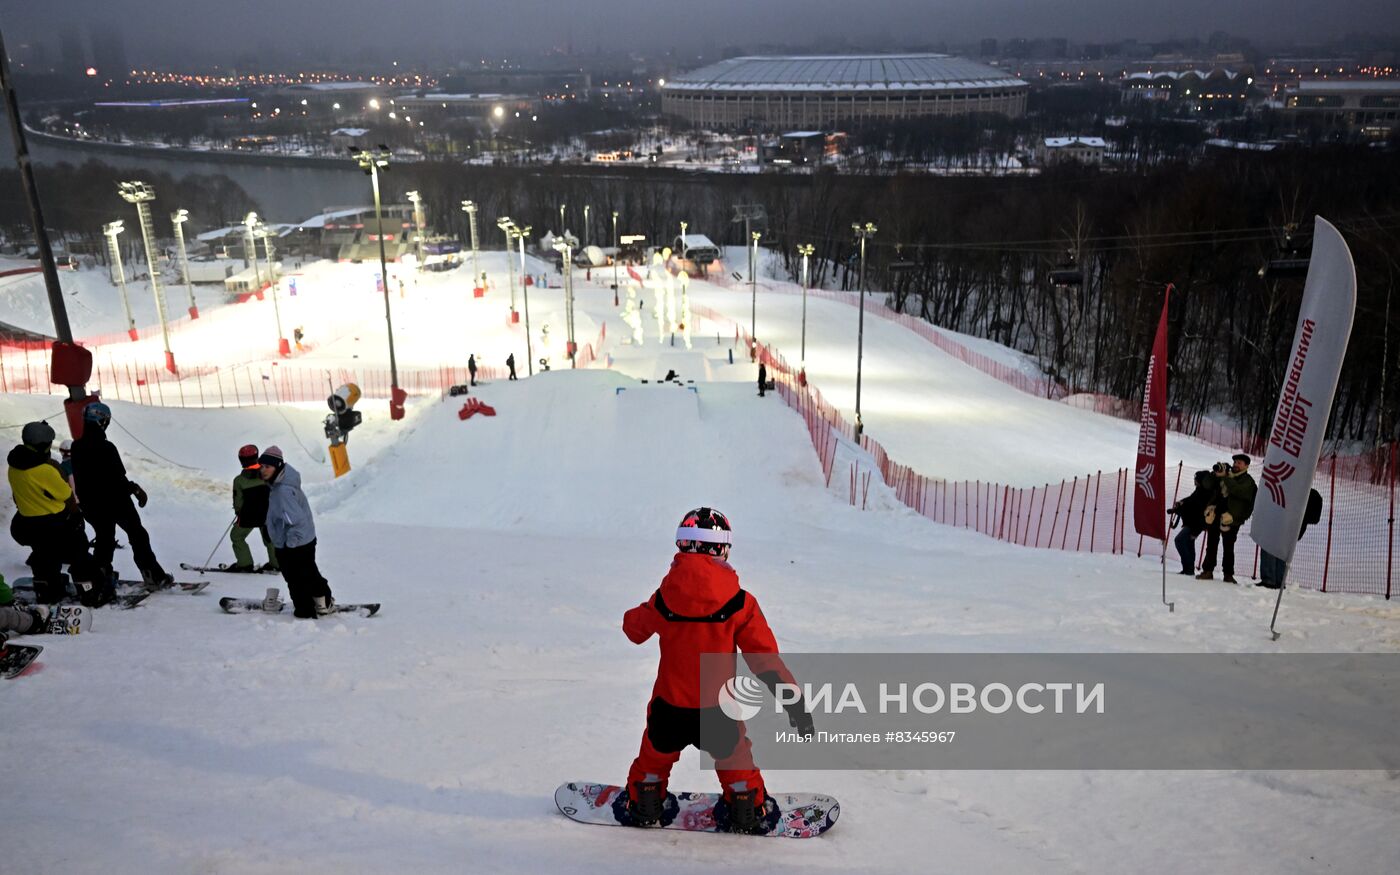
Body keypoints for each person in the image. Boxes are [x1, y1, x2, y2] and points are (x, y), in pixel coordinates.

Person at [619, 507, 811, 834]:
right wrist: (791, 699)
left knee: (655, 754)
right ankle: (745, 806)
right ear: (721, 549)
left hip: (670, 706)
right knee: (735, 760)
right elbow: (763, 658)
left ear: (683, 546)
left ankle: (646, 801)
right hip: (717, 710)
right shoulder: (739, 603)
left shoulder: (665, 599)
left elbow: (633, 630)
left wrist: (642, 613)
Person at [70, 401, 173, 588]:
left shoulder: (76, 447)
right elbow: (117, 479)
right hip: (115, 501)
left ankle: (101, 574)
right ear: (101, 421)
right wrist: (134, 489)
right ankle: (153, 575)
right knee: (137, 535)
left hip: (90, 503)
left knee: (105, 536)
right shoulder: (106, 448)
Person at [7, 422, 106, 605]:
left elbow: (16, 497)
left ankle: (46, 587)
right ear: (43, 445)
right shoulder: (45, 470)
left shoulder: (14, 467)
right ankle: (90, 590)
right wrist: (76, 517)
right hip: (55, 524)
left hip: (27, 524)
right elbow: (65, 494)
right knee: (79, 555)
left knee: (44, 555)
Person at [259, 446, 335, 619]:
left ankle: (320, 604)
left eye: (267, 467)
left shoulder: (282, 490)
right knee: (300, 577)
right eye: (261, 466)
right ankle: (307, 608)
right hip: (293, 541)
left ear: (277, 466)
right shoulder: (277, 485)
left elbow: (296, 521)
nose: (263, 470)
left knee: (302, 577)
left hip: (296, 543)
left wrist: (290, 545)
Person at [1197, 453, 1258, 584]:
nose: (1236, 465)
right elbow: (1207, 485)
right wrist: (1215, 474)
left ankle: (1228, 574)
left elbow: (1238, 491)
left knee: (1228, 546)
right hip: (1216, 514)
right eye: (1235, 462)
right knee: (1211, 543)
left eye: (1239, 463)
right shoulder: (1226, 475)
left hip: (1232, 518)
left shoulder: (1247, 481)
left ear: (1246, 466)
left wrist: (1225, 477)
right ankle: (1208, 570)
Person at [1257, 488, 1324, 589]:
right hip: (1292, 529)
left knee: (1269, 546)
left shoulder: (1302, 492)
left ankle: (1269, 580)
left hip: (1289, 528)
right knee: (1280, 551)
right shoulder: (1302, 491)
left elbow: (1314, 518)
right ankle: (1278, 581)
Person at [230, 444, 278, 573]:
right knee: (270, 538)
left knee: (236, 537)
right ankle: (276, 564)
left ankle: (245, 564)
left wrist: (238, 511)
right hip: (268, 514)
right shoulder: (268, 474)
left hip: (248, 516)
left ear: (241, 460)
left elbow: (238, 501)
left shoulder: (239, 480)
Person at [1168, 469, 1214, 575]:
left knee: (1179, 540)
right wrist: (1181, 502)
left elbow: (1198, 510)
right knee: (1189, 543)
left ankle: (1188, 567)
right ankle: (1188, 569)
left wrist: (1196, 530)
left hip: (1195, 524)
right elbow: (1190, 500)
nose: (1194, 480)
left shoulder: (1205, 493)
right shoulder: (1199, 490)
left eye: (1196, 479)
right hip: (1192, 523)